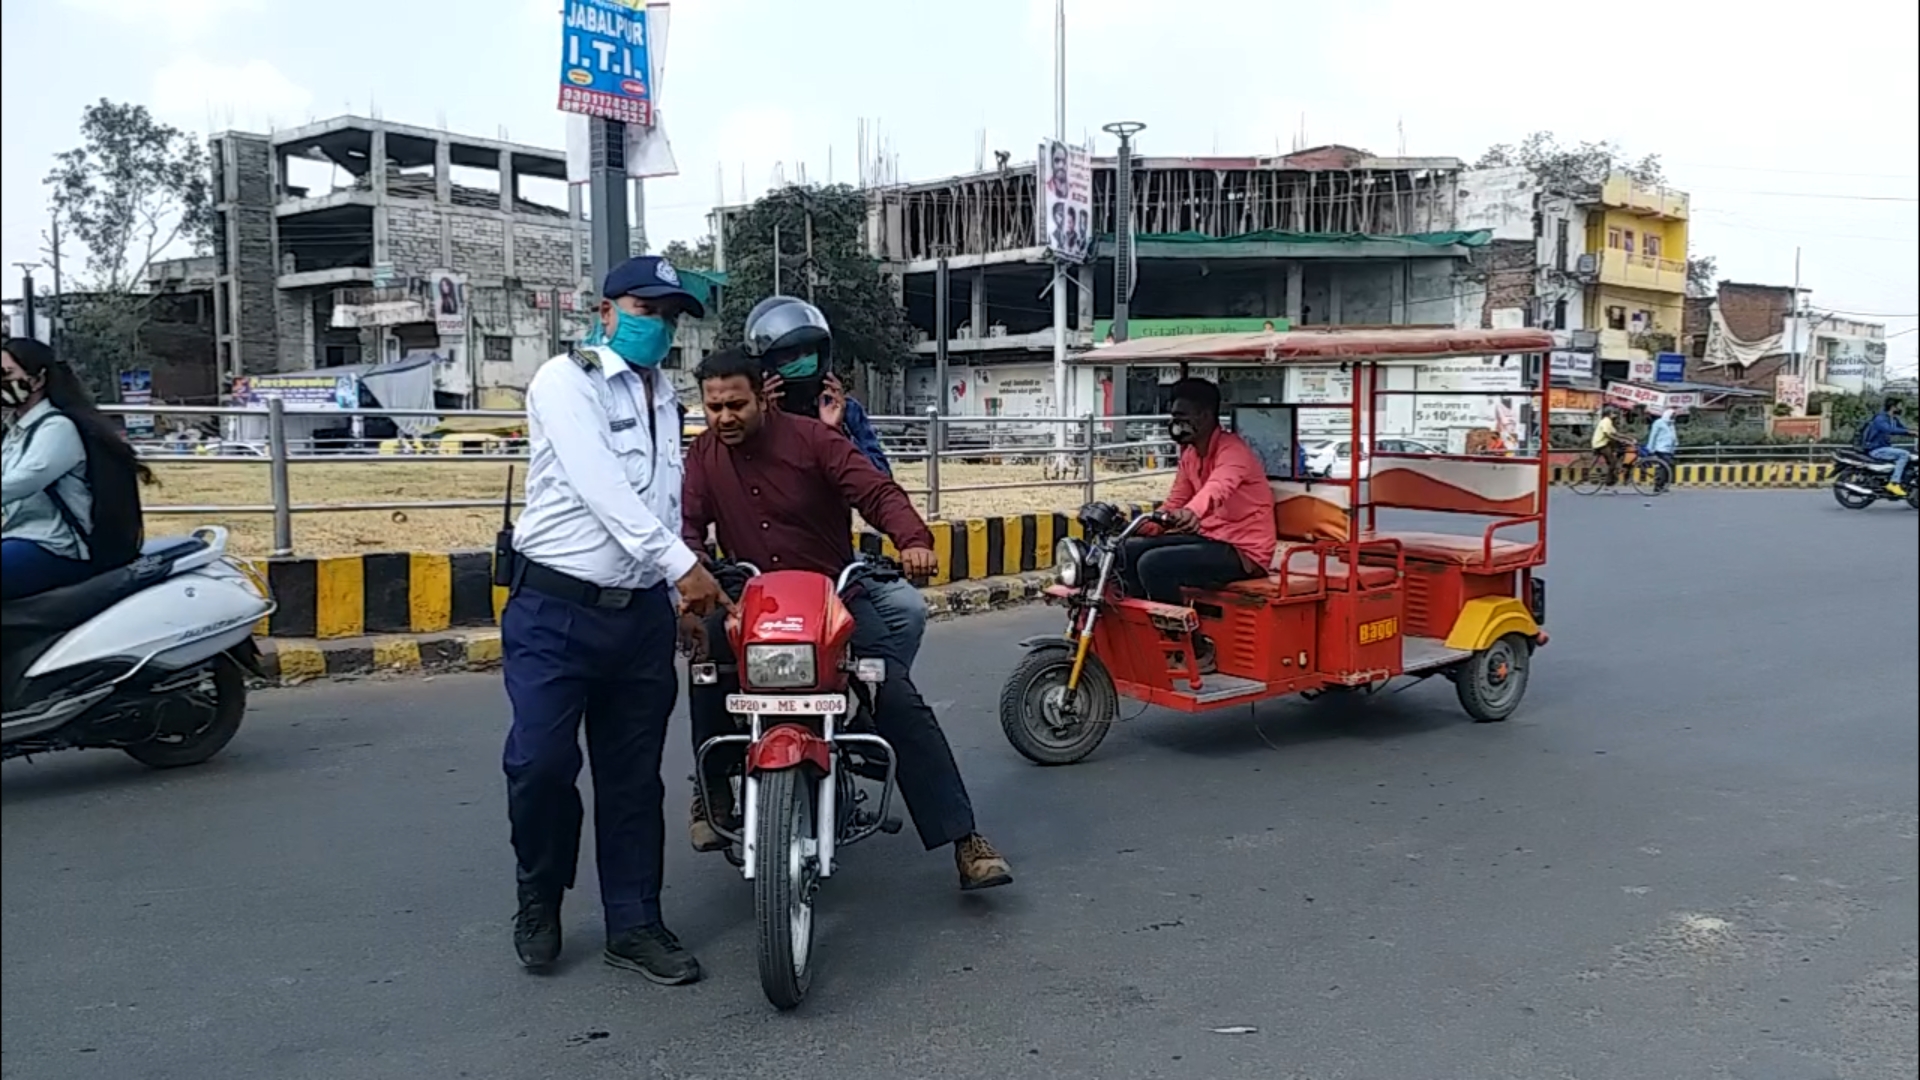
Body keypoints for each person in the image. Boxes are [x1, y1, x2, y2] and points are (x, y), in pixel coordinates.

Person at [680, 348, 1012, 892]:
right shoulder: (703, 457)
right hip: (751, 595)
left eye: (736, 404)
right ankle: (712, 789)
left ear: (764, 394)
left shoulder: (815, 440)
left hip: (831, 592)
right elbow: (688, 523)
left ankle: (965, 839)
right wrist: (689, 572)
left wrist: (911, 540)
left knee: (895, 693)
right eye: (714, 407)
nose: (725, 418)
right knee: (707, 664)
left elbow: (875, 492)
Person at [499, 255, 730, 983]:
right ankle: (540, 892)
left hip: (637, 621)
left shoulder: (669, 401)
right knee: (539, 764)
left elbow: (658, 505)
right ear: (605, 312)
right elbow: (603, 489)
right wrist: (684, 570)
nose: (656, 325)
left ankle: (634, 923)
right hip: (555, 613)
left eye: (668, 316)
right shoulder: (565, 382)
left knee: (633, 781)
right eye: (643, 308)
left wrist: (673, 603)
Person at [744, 296, 927, 668]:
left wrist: (837, 433)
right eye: (788, 355)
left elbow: (878, 483)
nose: (801, 362)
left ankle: (875, 703)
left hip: (832, 561)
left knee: (908, 611)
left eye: (809, 352)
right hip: (759, 566)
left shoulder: (844, 411)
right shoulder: (748, 418)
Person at [1122, 378, 1275, 672]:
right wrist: (1148, 525)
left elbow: (1218, 488)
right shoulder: (1190, 455)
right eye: (1174, 418)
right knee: (1128, 550)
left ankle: (1194, 648)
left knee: (1155, 564)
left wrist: (1192, 512)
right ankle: (1146, 632)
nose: (1176, 424)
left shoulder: (1233, 451)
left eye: (1182, 417)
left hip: (1244, 550)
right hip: (1211, 539)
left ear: (1205, 417)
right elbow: (1176, 500)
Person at [2, 339, 152, 602]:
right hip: (19, 538)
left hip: (56, 546)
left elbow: (24, 480)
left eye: (6, 374)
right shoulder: (13, 430)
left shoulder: (57, 427)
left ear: (38, 380)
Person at [1859, 397, 1913, 497]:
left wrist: (1914, 432)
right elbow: (1890, 429)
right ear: (1893, 407)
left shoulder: (1893, 419)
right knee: (1904, 454)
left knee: (1908, 455)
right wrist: (1908, 431)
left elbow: (1903, 429)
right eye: (1899, 406)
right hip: (1876, 449)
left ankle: (1897, 479)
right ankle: (1894, 483)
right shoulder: (1880, 418)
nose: (1901, 408)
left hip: (1884, 448)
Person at [1590, 406, 1628, 484]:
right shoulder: (1605, 421)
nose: (1615, 415)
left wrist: (1629, 438)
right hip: (1600, 444)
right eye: (1613, 413)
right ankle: (1609, 480)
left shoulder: (1609, 422)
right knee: (1613, 461)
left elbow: (1616, 433)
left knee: (1613, 458)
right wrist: (1618, 439)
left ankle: (1613, 476)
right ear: (1609, 414)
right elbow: (1606, 433)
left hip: (1604, 443)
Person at [1645, 407, 1679, 492]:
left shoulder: (1671, 424)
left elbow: (1673, 435)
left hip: (1669, 449)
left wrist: (1675, 444)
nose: (1673, 417)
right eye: (1672, 415)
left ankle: (1663, 485)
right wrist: (1650, 448)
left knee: (1666, 467)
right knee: (1663, 466)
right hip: (1661, 448)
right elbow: (1653, 435)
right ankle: (1658, 485)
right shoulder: (1659, 423)